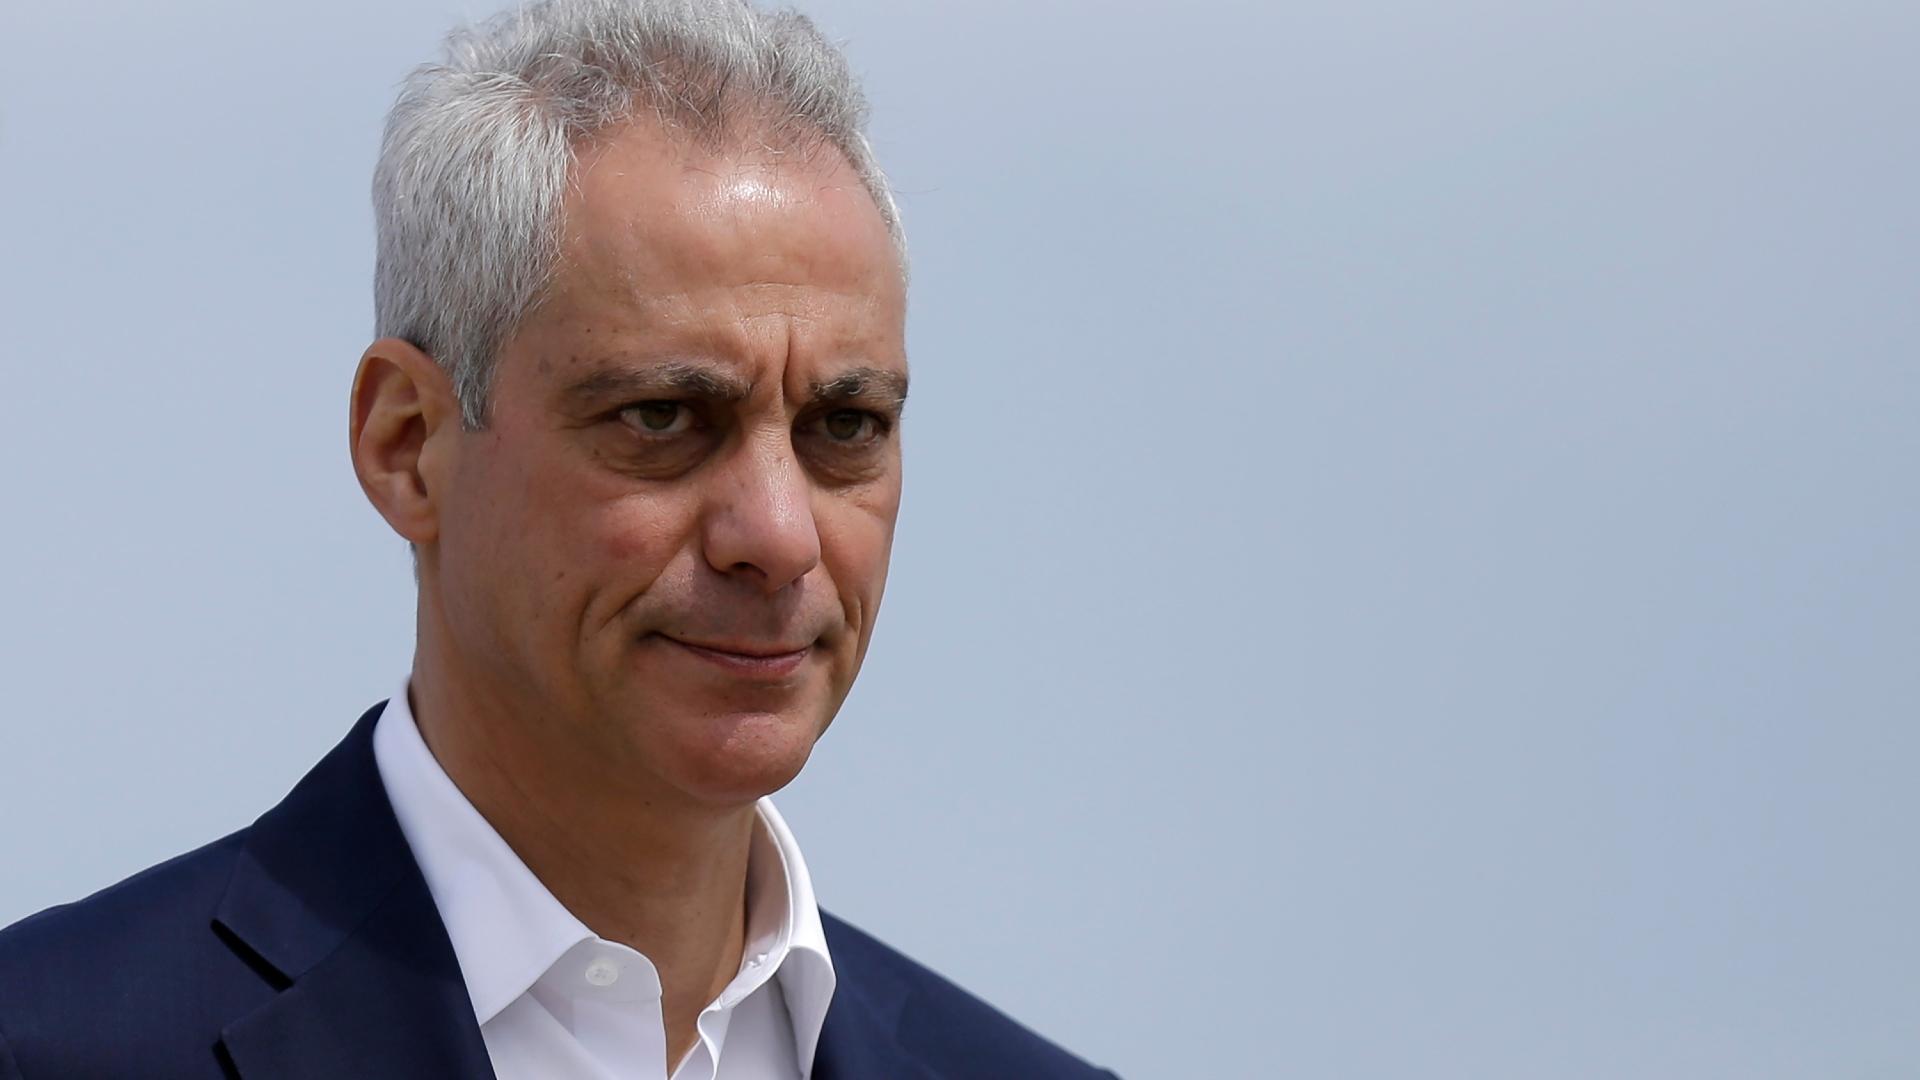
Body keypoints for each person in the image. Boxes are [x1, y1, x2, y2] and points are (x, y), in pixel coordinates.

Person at [0, 2, 1118, 1077]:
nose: (778, 537)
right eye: (664, 418)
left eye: (844, 427)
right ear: (408, 445)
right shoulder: (54, 1045)